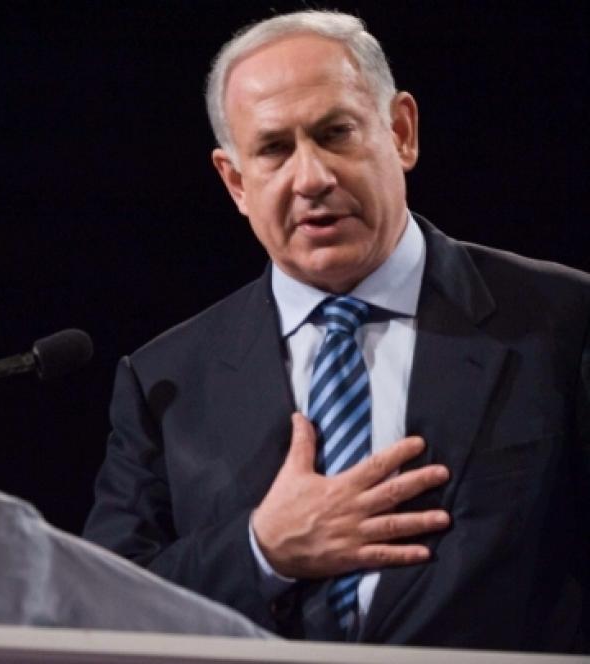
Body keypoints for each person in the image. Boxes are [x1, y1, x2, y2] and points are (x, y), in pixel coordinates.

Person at [83, 10, 589, 653]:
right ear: (236, 182)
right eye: (274, 149)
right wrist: (261, 549)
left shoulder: (563, 319)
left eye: (336, 133)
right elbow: (103, 607)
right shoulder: (166, 380)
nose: (312, 178)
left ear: (400, 133)